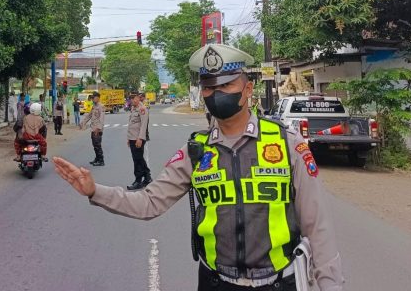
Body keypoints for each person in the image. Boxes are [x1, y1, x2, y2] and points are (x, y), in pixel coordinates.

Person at [54, 44, 344, 291]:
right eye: (208, 87)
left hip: (280, 282)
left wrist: (330, 285)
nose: (217, 93)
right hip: (214, 282)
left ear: (247, 89)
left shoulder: (286, 143)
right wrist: (95, 191)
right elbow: (149, 202)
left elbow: (317, 226)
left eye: (227, 85)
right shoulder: (195, 151)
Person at [126, 92, 152, 190]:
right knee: (139, 158)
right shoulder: (133, 108)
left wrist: (140, 138)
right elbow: (131, 124)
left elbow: (143, 125)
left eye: (134, 98)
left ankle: (138, 181)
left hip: (138, 138)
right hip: (132, 137)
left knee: (137, 160)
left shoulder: (142, 109)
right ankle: (148, 178)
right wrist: (128, 138)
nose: (132, 100)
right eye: (130, 98)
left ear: (138, 98)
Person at [80, 91, 105, 166]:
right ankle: (97, 158)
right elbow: (89, 115)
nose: (92, 99)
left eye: (93, 98)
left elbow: (102, 119)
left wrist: (98, 128)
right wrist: (83, 122)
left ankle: (101, 160)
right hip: (93, 129)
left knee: (97, 145)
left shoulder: (101, 106)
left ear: (97, 98)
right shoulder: (94, 106)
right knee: (95, 145)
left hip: (97, 129)